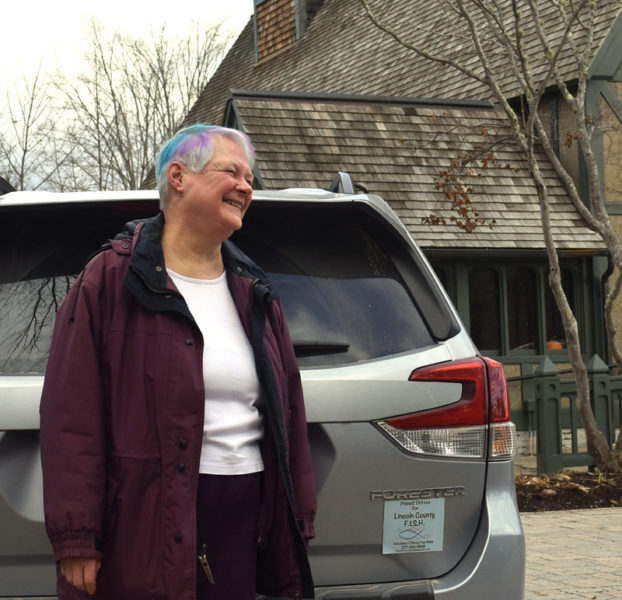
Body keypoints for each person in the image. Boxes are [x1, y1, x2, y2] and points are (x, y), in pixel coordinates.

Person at [39, 124, 317, 600]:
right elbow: (71, 416)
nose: (246, 187)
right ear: (179, 177)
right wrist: (77, 536)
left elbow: (289, 406)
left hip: (243, 514)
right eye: (231, 172)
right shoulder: (108, 281)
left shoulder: (254, 290)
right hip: (143, 518)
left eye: (250, 178)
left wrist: (298, 519)